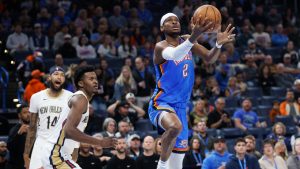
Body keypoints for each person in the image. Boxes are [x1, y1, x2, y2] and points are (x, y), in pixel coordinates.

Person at [148, 12, 235, 169]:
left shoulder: (187, 40)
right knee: (175, 127)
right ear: (162, 27)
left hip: (181, 106)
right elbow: (175, 54)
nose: (175, 22)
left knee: (177, 165)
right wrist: (194, 35)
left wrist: (218, 45)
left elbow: (209, 58)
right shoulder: (161, 46)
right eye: (169, 21)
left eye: (176, 20)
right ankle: (161, 166)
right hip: (161, 102)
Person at [40, 66, 116, 169]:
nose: (95, 82)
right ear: (81, 83)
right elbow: (69, 130)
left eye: (96, 79)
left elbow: (68, 132)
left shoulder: (80, 100)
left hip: (57, 154)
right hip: (56, 155)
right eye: (91, 79)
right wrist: (100, 142)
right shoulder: (80, 99)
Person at [24, 67, 73, 169]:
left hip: (61, 145)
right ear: (49, 78)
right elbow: (32, 128)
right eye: (56, 74)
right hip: (41, 143)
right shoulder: (36, 97)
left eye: (62, 75)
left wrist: (75, 152)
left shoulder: (71, 98)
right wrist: (26, 154)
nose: (59, 77)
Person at [5, 104, 30, 169]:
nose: (28, 114)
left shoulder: (36, 128)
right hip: (16, 166)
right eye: (25, 112)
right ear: (19, 115)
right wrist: (18, 134)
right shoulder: (15, 129)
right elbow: (9, 147)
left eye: (29, 112)